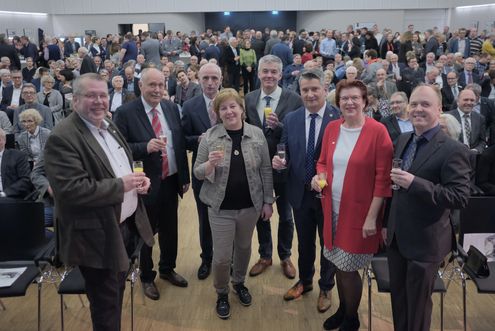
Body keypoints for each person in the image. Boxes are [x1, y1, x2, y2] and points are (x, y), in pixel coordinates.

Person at [44, 73, 154, 331]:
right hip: (96, 238)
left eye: (103, 95)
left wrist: (138, 183)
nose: (99, 101)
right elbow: (70, 190)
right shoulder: (63, 137)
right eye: (91, 95)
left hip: (124, 228)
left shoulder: (107, 123)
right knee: (106, 307)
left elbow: (120, 166)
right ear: (75, 100)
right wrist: (122, 185)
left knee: (114, 297)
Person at [386, 85, 471, 331]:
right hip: (397, 238)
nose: (418, 109)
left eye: (425, 104)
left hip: (425, 243)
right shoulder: (403, 140)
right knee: (399, 302)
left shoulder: (453, 149)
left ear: (439, 109)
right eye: (414, 104)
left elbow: (459, 197)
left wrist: (415, 183)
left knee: (419, 309)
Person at [312, 79, 393, 330]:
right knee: (337, 263)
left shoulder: (378, 131)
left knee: (347, 269)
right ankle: (343, 309)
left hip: (359, 215)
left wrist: (372, 218)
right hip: (331, 209)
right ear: (338, 103)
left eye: (355, 97)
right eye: (344, 98)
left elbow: (383, 180)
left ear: (365, 101)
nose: (349, 102)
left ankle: (351, 317)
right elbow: (323, 161)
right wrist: (319, 177)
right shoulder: (332, 128)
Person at [193, 88, 274, 319]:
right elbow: (198, 172)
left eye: (232, 106)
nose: (229, 111)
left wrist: (268, 201)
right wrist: (209, 165)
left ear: (241, 109)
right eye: (223, 108)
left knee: (244, 248)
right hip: (220, 208)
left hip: (250, 207)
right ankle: (221, 292)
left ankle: (238, 282)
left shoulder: (257, 134)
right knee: (220, 256)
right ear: (218, 113)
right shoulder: (210, 136)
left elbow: (266, 170)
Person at [114, 68, 190, 301]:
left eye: (161, 85)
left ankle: (167, 269)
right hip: (145, 183)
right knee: (146, 232)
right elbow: (120, 147)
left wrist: (184, 177)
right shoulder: (125, 112)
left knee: (170, 229)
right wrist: (144, 147)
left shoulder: (170, 107)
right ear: (140, 86)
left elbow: (178, 143)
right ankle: (147, 276)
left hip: (170, 180)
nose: (157, 89)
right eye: (152, 85)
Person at [272, 69, 339, 313]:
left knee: (328, 244)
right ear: (299, 92)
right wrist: (280, 161)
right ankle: (306, 281)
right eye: (305, 90)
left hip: (329, 194)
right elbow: (285, 148)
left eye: (314, 89)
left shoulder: (338, 118)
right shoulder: (291, 118)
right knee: (305, 243)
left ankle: (326, 286)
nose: (310, 94)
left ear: (324, 89)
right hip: (300, 194)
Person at [244, 55, 303, 279]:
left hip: (285, 169)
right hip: (258, 168)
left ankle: (285, 256)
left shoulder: (294, 99)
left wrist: (279, 127)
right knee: (262, 214)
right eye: (265, 71)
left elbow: (297, 135)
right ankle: (265, 255)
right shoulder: (249, 98)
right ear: (258, 73)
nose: (269, 75)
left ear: (280, 74)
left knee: (286, 216)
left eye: (273, 72)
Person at [181, 63, 222, 280]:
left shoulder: (230, 102)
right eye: (205, 78)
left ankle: (227, 260)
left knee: (227, 218)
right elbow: (182, 139)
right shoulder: (189, 106)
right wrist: (197, 140)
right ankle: (206, 259)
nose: (210, 83)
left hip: (227, 174)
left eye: (214, 78)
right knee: (204, 218)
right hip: (202, 173)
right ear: (198, 78)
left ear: (220, 80)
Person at [445, 89, 486, 154]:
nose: (469, 103)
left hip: (474, 158)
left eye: (472, 100)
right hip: (453, 157)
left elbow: (482, 141)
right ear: (458, 101)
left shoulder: (480, 118)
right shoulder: (447, 117)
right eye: (466, 100)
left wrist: (476, 150)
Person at [0, 127, 32, 199]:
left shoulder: (18, 156)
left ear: (4, 141)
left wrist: (4, 193)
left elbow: (26, 180)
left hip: (11, 198)